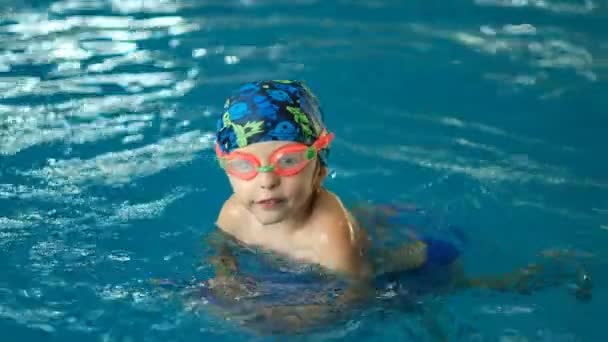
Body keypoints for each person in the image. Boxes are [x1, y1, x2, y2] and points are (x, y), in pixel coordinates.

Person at [194, 79, 592, 336]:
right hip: (330, 267)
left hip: (401, 270)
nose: (265, 179)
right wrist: (226, 279)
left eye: (288, 160)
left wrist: (282, 323)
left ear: (320, 167)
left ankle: (547, 272)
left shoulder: (328, 232)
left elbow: (353, 300)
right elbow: (219, 250)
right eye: (244, 164)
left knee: (455, 296)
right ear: (225, 166)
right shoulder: (234, 212)